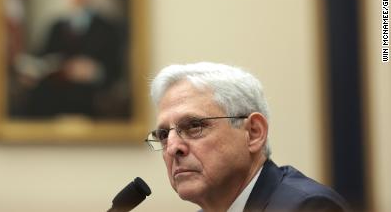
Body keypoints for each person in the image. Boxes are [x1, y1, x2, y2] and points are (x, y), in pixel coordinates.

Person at [145, 62, 349, 212]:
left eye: (194, 126)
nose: (172, 147)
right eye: (163, 134)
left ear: (254, 133)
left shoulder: (306, 208)